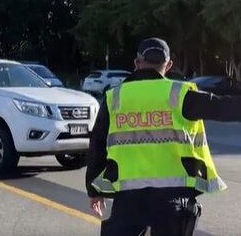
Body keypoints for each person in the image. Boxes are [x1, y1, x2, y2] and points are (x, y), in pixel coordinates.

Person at [86, 37, 241, 236]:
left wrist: (94, 190)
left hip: (129, 200)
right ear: (168, 65)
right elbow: (225, 107)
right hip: (173, 200)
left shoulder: (115, 97)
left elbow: (97, 146)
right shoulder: (180, 95)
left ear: (137, 63)